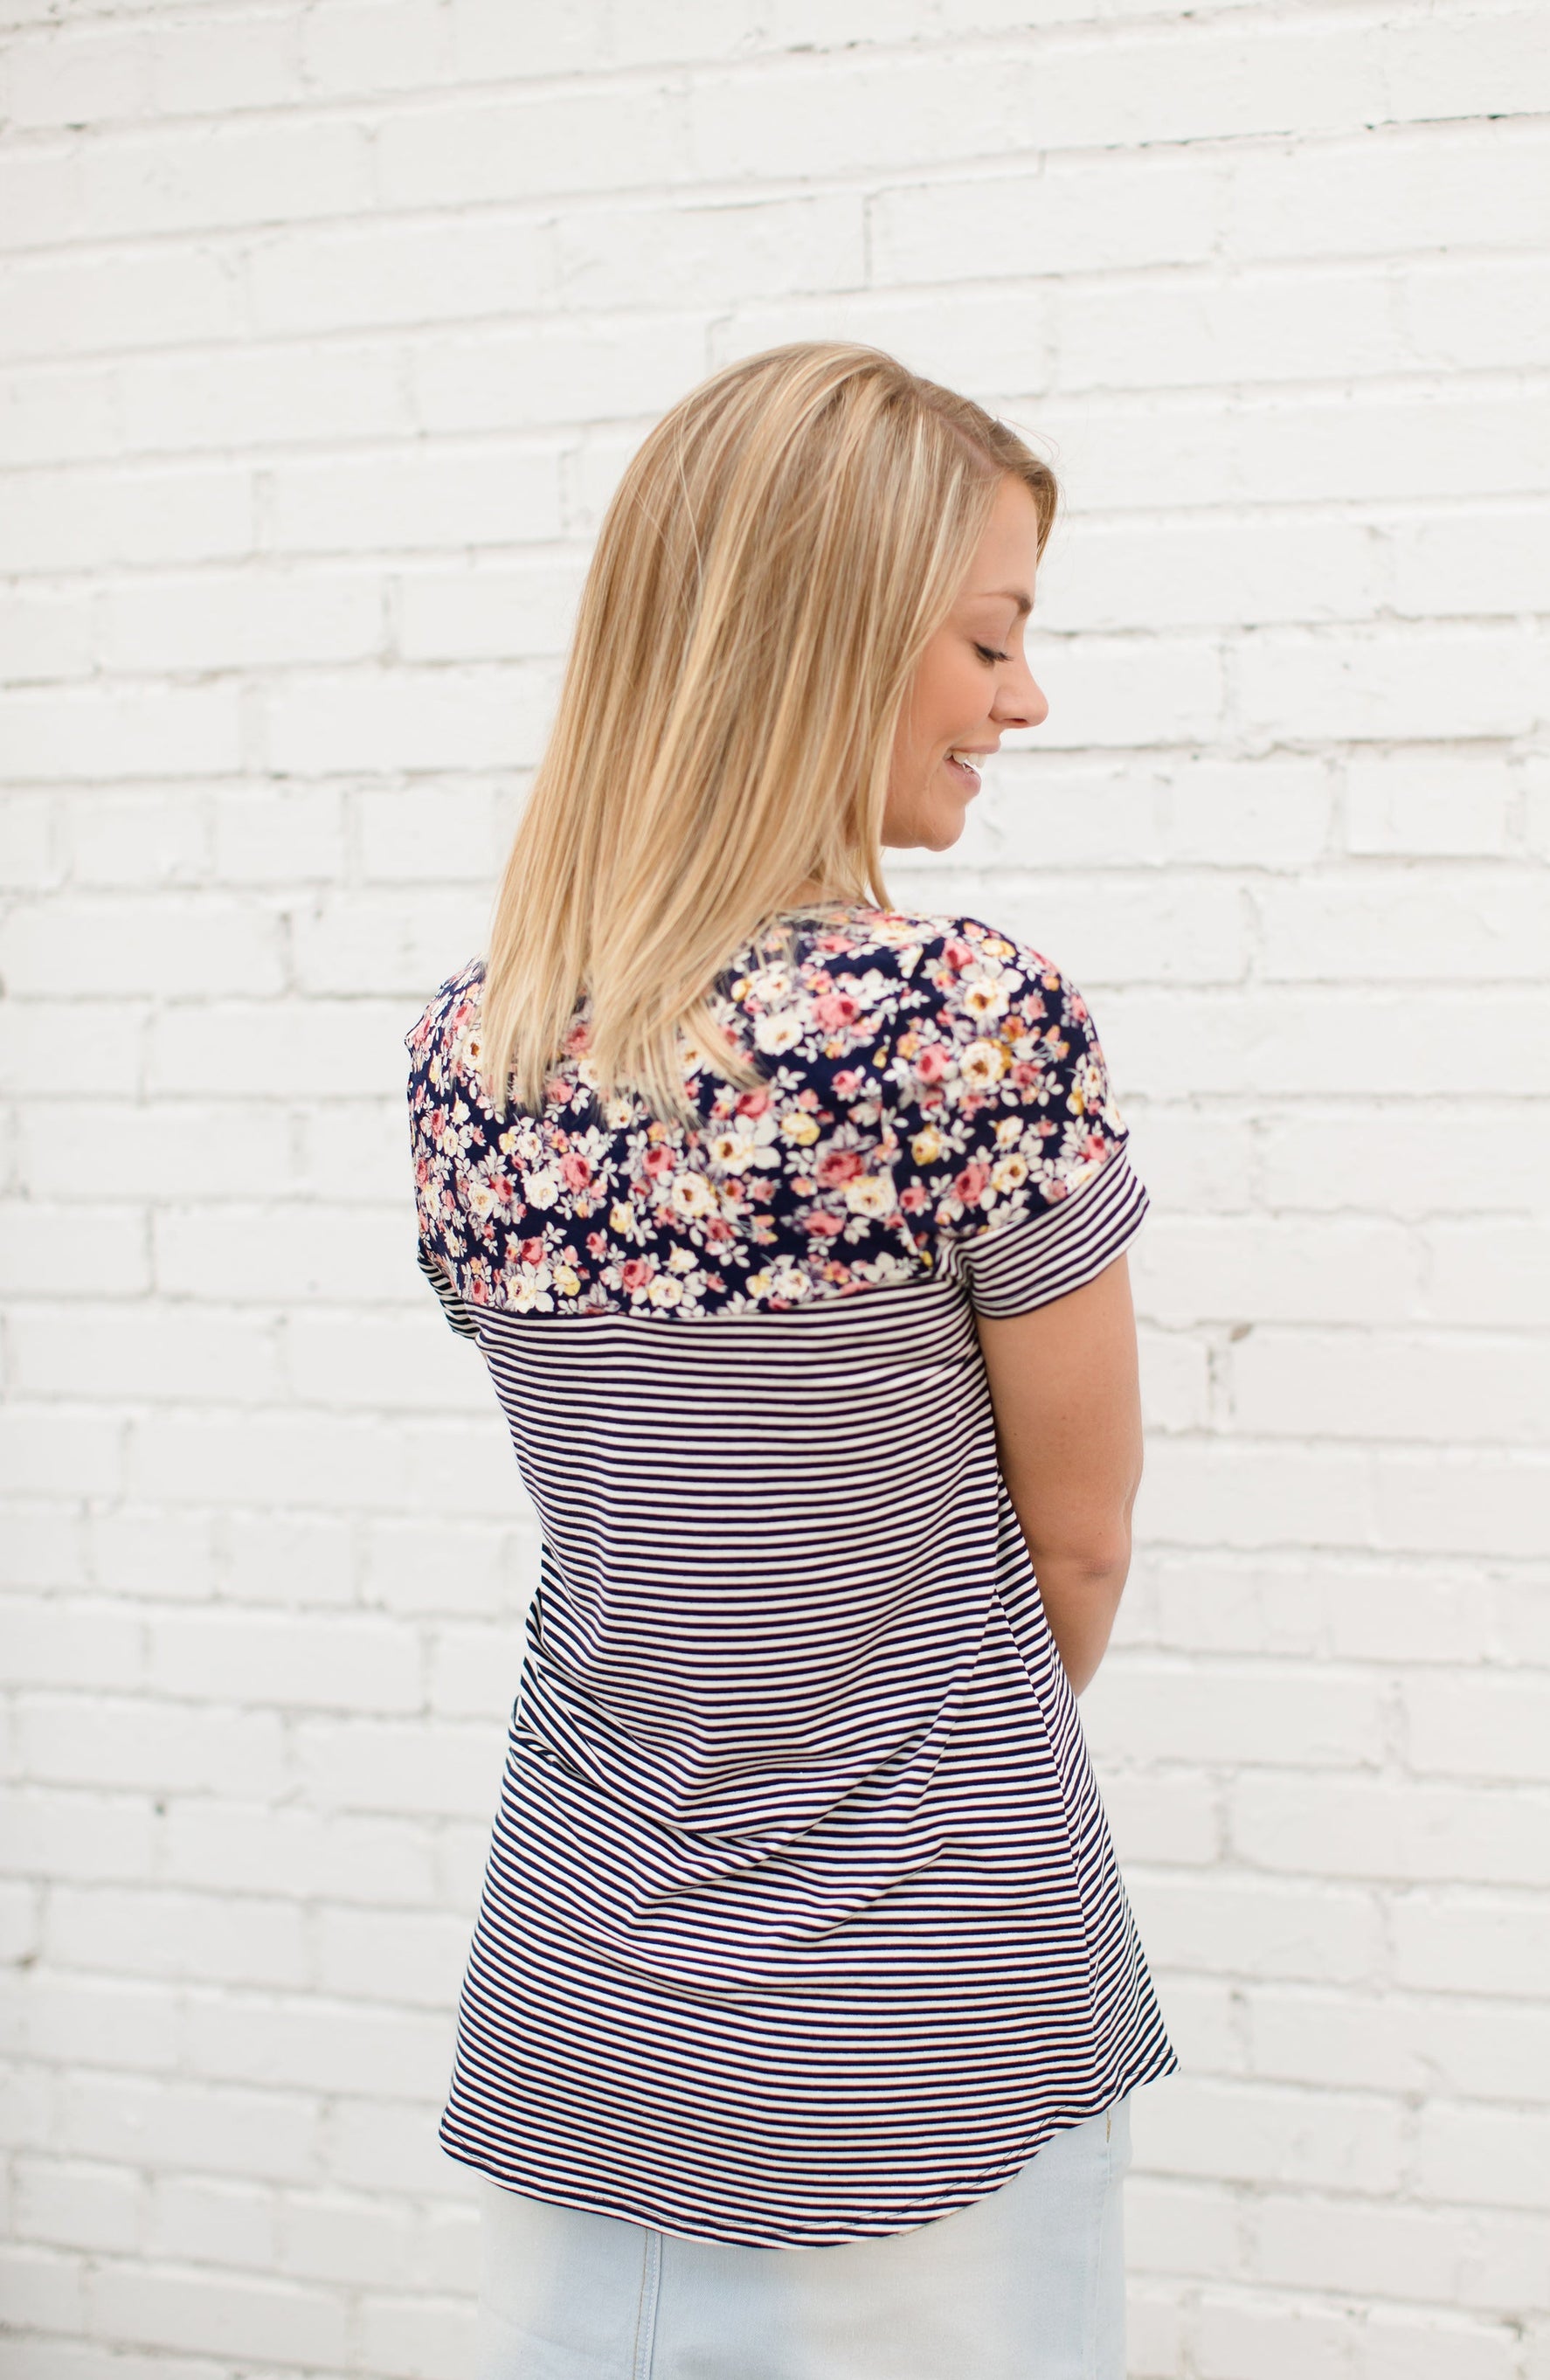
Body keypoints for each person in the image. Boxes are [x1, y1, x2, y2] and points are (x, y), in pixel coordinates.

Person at [404, 341, 1177, 2380]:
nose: (1024, 699)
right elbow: (1069, 1555)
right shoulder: (965, 1024)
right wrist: (911, 1781)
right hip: (935, 2027)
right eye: (991, 637)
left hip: (588, 1999)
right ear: (834, 633)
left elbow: (653, 1539)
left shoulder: (476, 1052)